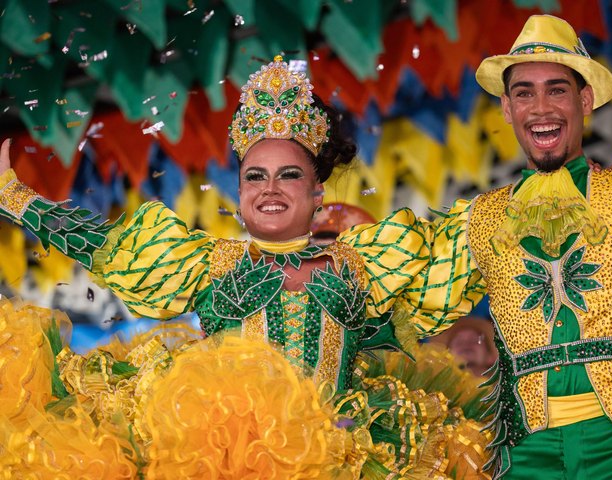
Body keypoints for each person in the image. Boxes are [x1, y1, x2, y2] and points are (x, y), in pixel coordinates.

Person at [0, 56, 491, 478]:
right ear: (239, 193)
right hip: (222, 462)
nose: (270, 188)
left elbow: (470, 239)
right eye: (255, 176)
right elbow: (109, 246)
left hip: (346, 454)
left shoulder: (366, 264)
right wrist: (15, 196)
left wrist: (544, 190)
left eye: (289, 175)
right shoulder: (209, 262)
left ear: (317, 192)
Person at [339, 14, 612, 480]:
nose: (540, 107)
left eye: (557, 90)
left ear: (584, 100)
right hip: (525, 453)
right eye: (524, 92)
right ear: (506, 108)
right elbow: (393, 285)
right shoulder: (479, 221)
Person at [432, 315, 497, 377]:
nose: (466, 344)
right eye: (459, 342)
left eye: (474, 340)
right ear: (446, 356)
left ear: (491, 357)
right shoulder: (428, 387)